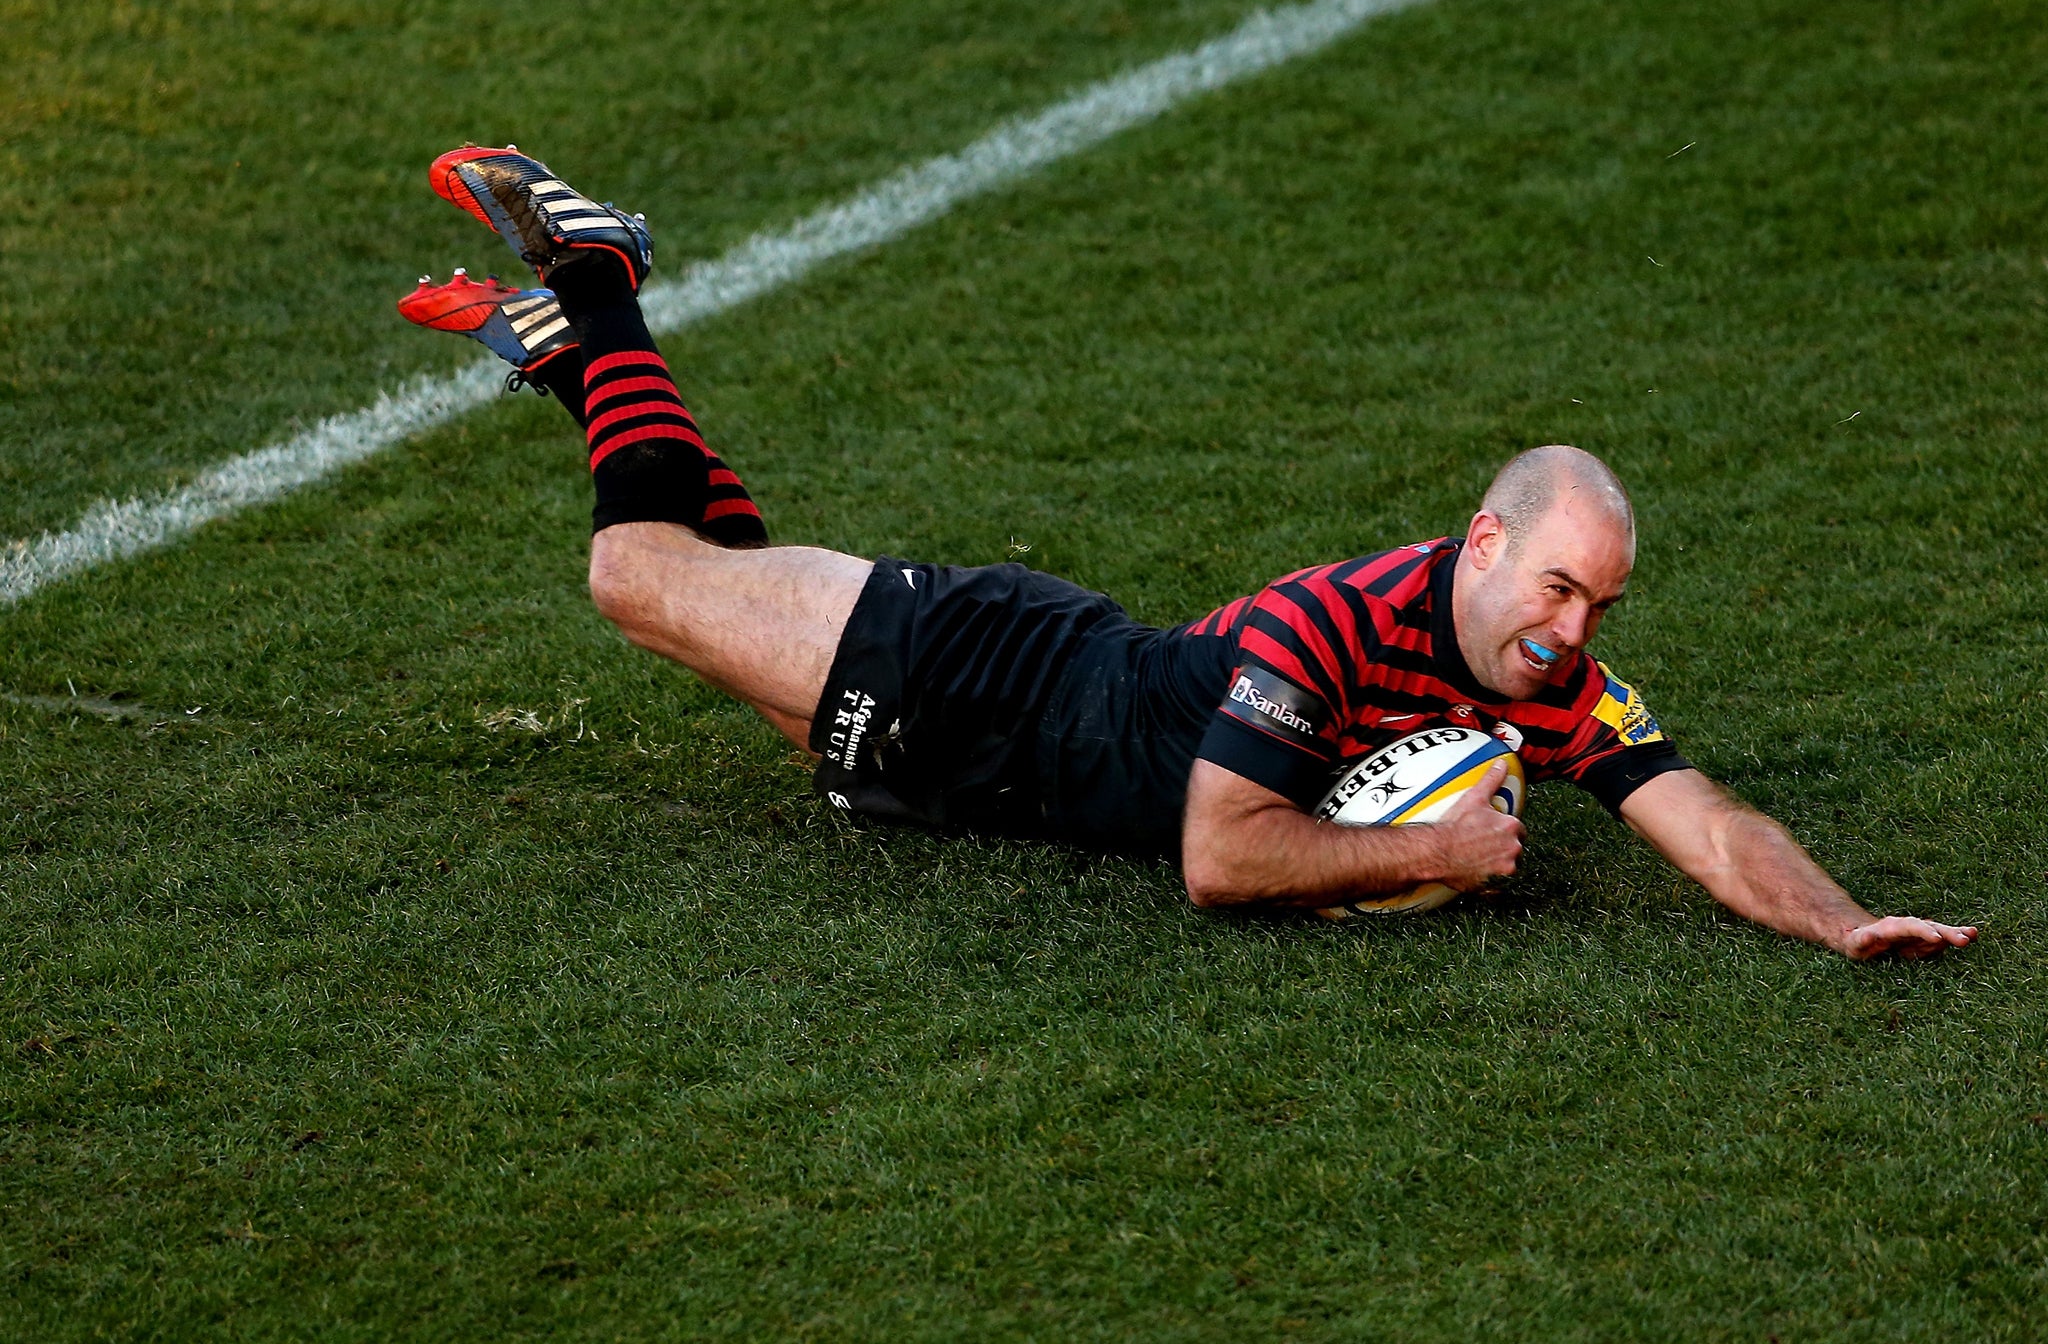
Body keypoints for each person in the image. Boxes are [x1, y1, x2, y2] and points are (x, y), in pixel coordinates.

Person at [399, 145, 1976, 962]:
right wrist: (1430, 852)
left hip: (979, 786)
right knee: (641, 584)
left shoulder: (1542, 672)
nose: (1573, 630)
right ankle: (598, 278)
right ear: (1483, 543)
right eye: (1558, 587)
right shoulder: (1338, 626)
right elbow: (1222, 860)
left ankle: (564, 360)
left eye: (1599, 604)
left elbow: (1701, 815)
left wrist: (1839, 916)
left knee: (703, 586)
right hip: (982, 680)